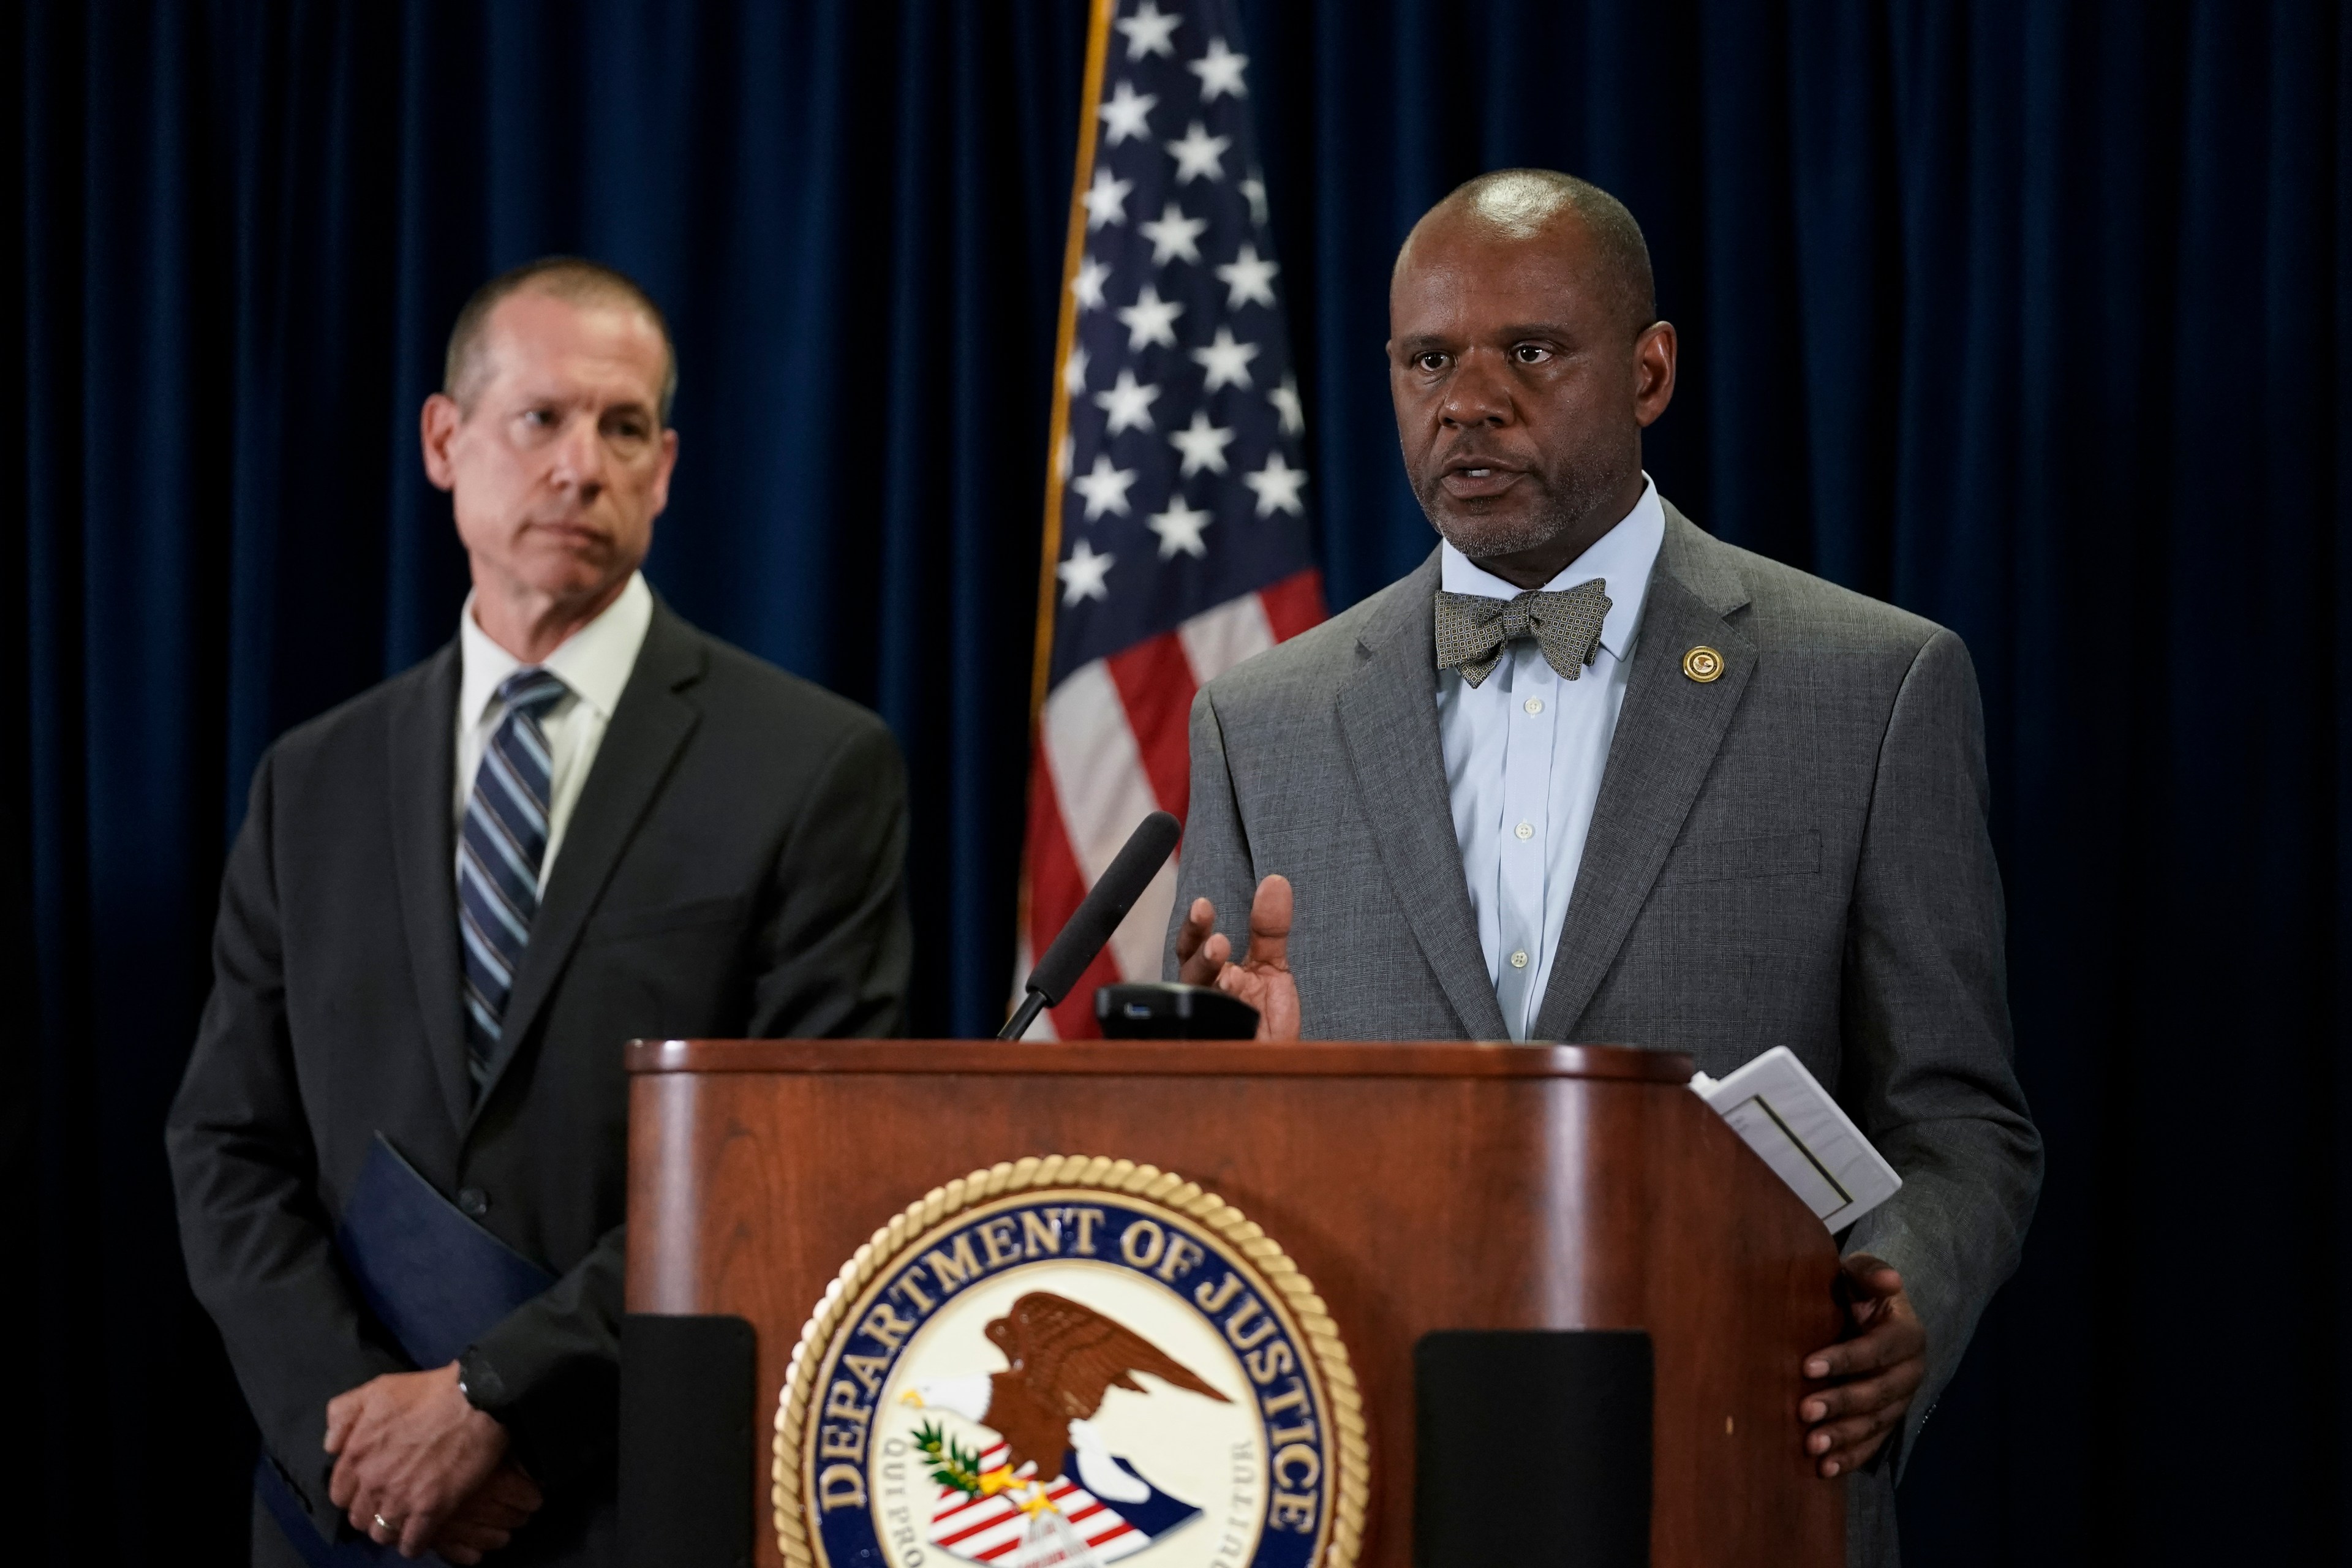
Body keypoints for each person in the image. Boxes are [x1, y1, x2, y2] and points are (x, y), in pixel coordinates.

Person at [1166, 170, 2040, 1564]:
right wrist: (1228, 1089)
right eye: (1428, 360)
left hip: (1731, 1462)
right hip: (1368, 1472)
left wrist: (1905, 1291)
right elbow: (1198, 1159)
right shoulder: (1262, 721)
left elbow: (1961, 1121)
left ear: (1649, 370)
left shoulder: (1873, 686)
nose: (1469, 399)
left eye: (1529, 351)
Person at [167, 258, 912, 1567]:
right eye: (543, 419)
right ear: (446, 442)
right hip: (350, 1514)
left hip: (642, 1499)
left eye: (624, 428)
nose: (583, 465)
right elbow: (228, 1146)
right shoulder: (312, 780)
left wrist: (491, 1403)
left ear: (667, 466)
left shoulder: (810, 766)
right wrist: (356, 1436)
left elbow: (798, 1157)